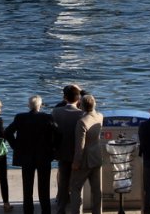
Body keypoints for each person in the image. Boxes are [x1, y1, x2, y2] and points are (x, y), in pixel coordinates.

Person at [5, 95, 58, 214]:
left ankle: (28, 211)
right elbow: (58, 133)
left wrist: (16, 147)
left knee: (27, 188)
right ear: (40, 105)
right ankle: (46, 211)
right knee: (44, 188)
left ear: (29, 105)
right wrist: (53, 149)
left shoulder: (20, 117)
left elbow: (7, 132)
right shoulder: (47, 117)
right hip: (44, 156)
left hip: (26, 157)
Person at [51, 86, 83, 214]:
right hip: (77, 153)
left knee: (63, 183)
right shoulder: (82, 114)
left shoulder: (56, 112)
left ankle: (61, 209)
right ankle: (76, 209)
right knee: (77, 184)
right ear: (79, 98)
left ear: (64, 97)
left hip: (62, 152)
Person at [69, 94, 103, 214]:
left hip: (85, 161)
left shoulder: (82, 122)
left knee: (75, 188)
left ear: (81, 105)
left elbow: (80, 146)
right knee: (97, 190)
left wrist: (76, 163)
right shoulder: (100, 116)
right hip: (97, 157)